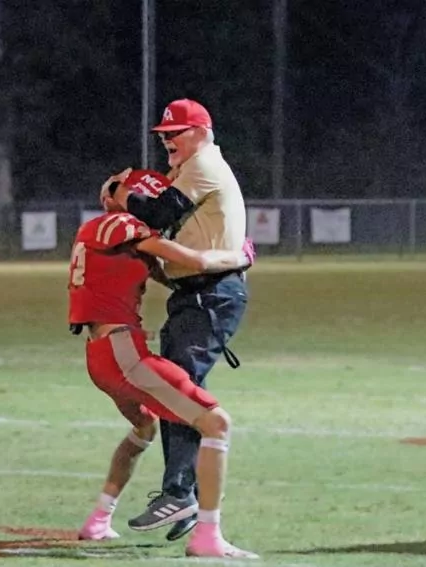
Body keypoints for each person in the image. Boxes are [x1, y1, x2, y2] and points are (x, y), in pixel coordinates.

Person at [71, 169, 258, 559]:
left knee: (145, 426)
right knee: (216, 423)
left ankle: (99, 520)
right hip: (122, 352)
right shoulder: (121, 225)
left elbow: (172, 275)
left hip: (101, 354)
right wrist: (240, 256)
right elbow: (194, 260)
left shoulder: (110, 235)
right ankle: (206, 535)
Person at [101, 98, 248, 542]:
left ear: (201, 132)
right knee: (177, 391)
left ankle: (180, 493)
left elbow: (159, 214)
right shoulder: (192, 168)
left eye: (175, 132)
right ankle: (186, 499)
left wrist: (119, 195)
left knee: (180, 390)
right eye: (163, 134)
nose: (167, 140)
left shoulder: (203, 164)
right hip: (198, 294)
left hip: (210, 293)